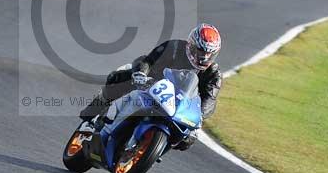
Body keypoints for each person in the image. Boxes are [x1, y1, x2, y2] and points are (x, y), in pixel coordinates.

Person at [79, 23, 223, 150]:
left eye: (209, 54)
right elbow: (149, 60)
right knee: (118, 78)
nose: (204, 58)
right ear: (191, 45)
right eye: (200, 51)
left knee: (187, 140)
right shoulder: (173, 47)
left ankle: (149, 148)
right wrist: (142, 74)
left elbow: (208, 100)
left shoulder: (214, 74)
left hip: (176, 106)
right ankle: (94, 113)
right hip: (149, 84)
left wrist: (199, 121)